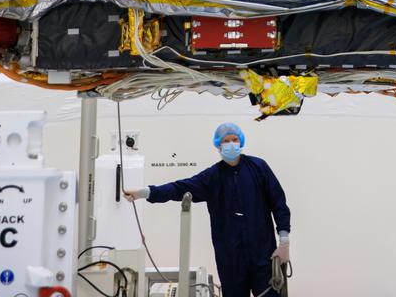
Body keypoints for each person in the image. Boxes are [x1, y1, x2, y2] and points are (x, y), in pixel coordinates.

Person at [124, 122, 290, 297]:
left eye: (234, 139)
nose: (231, 144)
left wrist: (284, 241)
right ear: (218, 145)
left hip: (263, 257)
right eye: (226, 141)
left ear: (241, 141)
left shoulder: (259, 168)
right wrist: (144, 193)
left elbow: (278, 203)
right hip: (231, 260)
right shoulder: (212, 177)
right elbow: (179, 188)